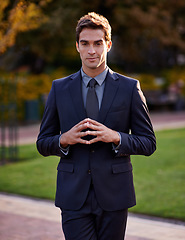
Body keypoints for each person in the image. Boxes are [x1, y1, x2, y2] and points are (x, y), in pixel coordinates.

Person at [37, 12, 156, 240]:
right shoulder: (59, 89)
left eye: (98, 43)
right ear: (77, 46)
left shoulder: (129, 88)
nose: (91, 50)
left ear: (108, 45)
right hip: (73, 195)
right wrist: (63, 139)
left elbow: (148, 143)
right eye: (85, 43)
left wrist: (116, 137)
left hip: (115, 194)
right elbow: (42, 143)